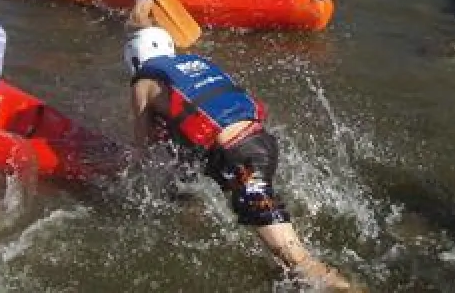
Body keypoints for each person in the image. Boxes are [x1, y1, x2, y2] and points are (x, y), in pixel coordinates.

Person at [124, 27, 359, 291]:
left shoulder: (142, 83)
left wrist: (124, 182)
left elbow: (141, 148)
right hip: (261, 144)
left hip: (236, 157)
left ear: (134, 59)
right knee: (191, 182)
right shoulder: (197, 63)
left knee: (302, 264)